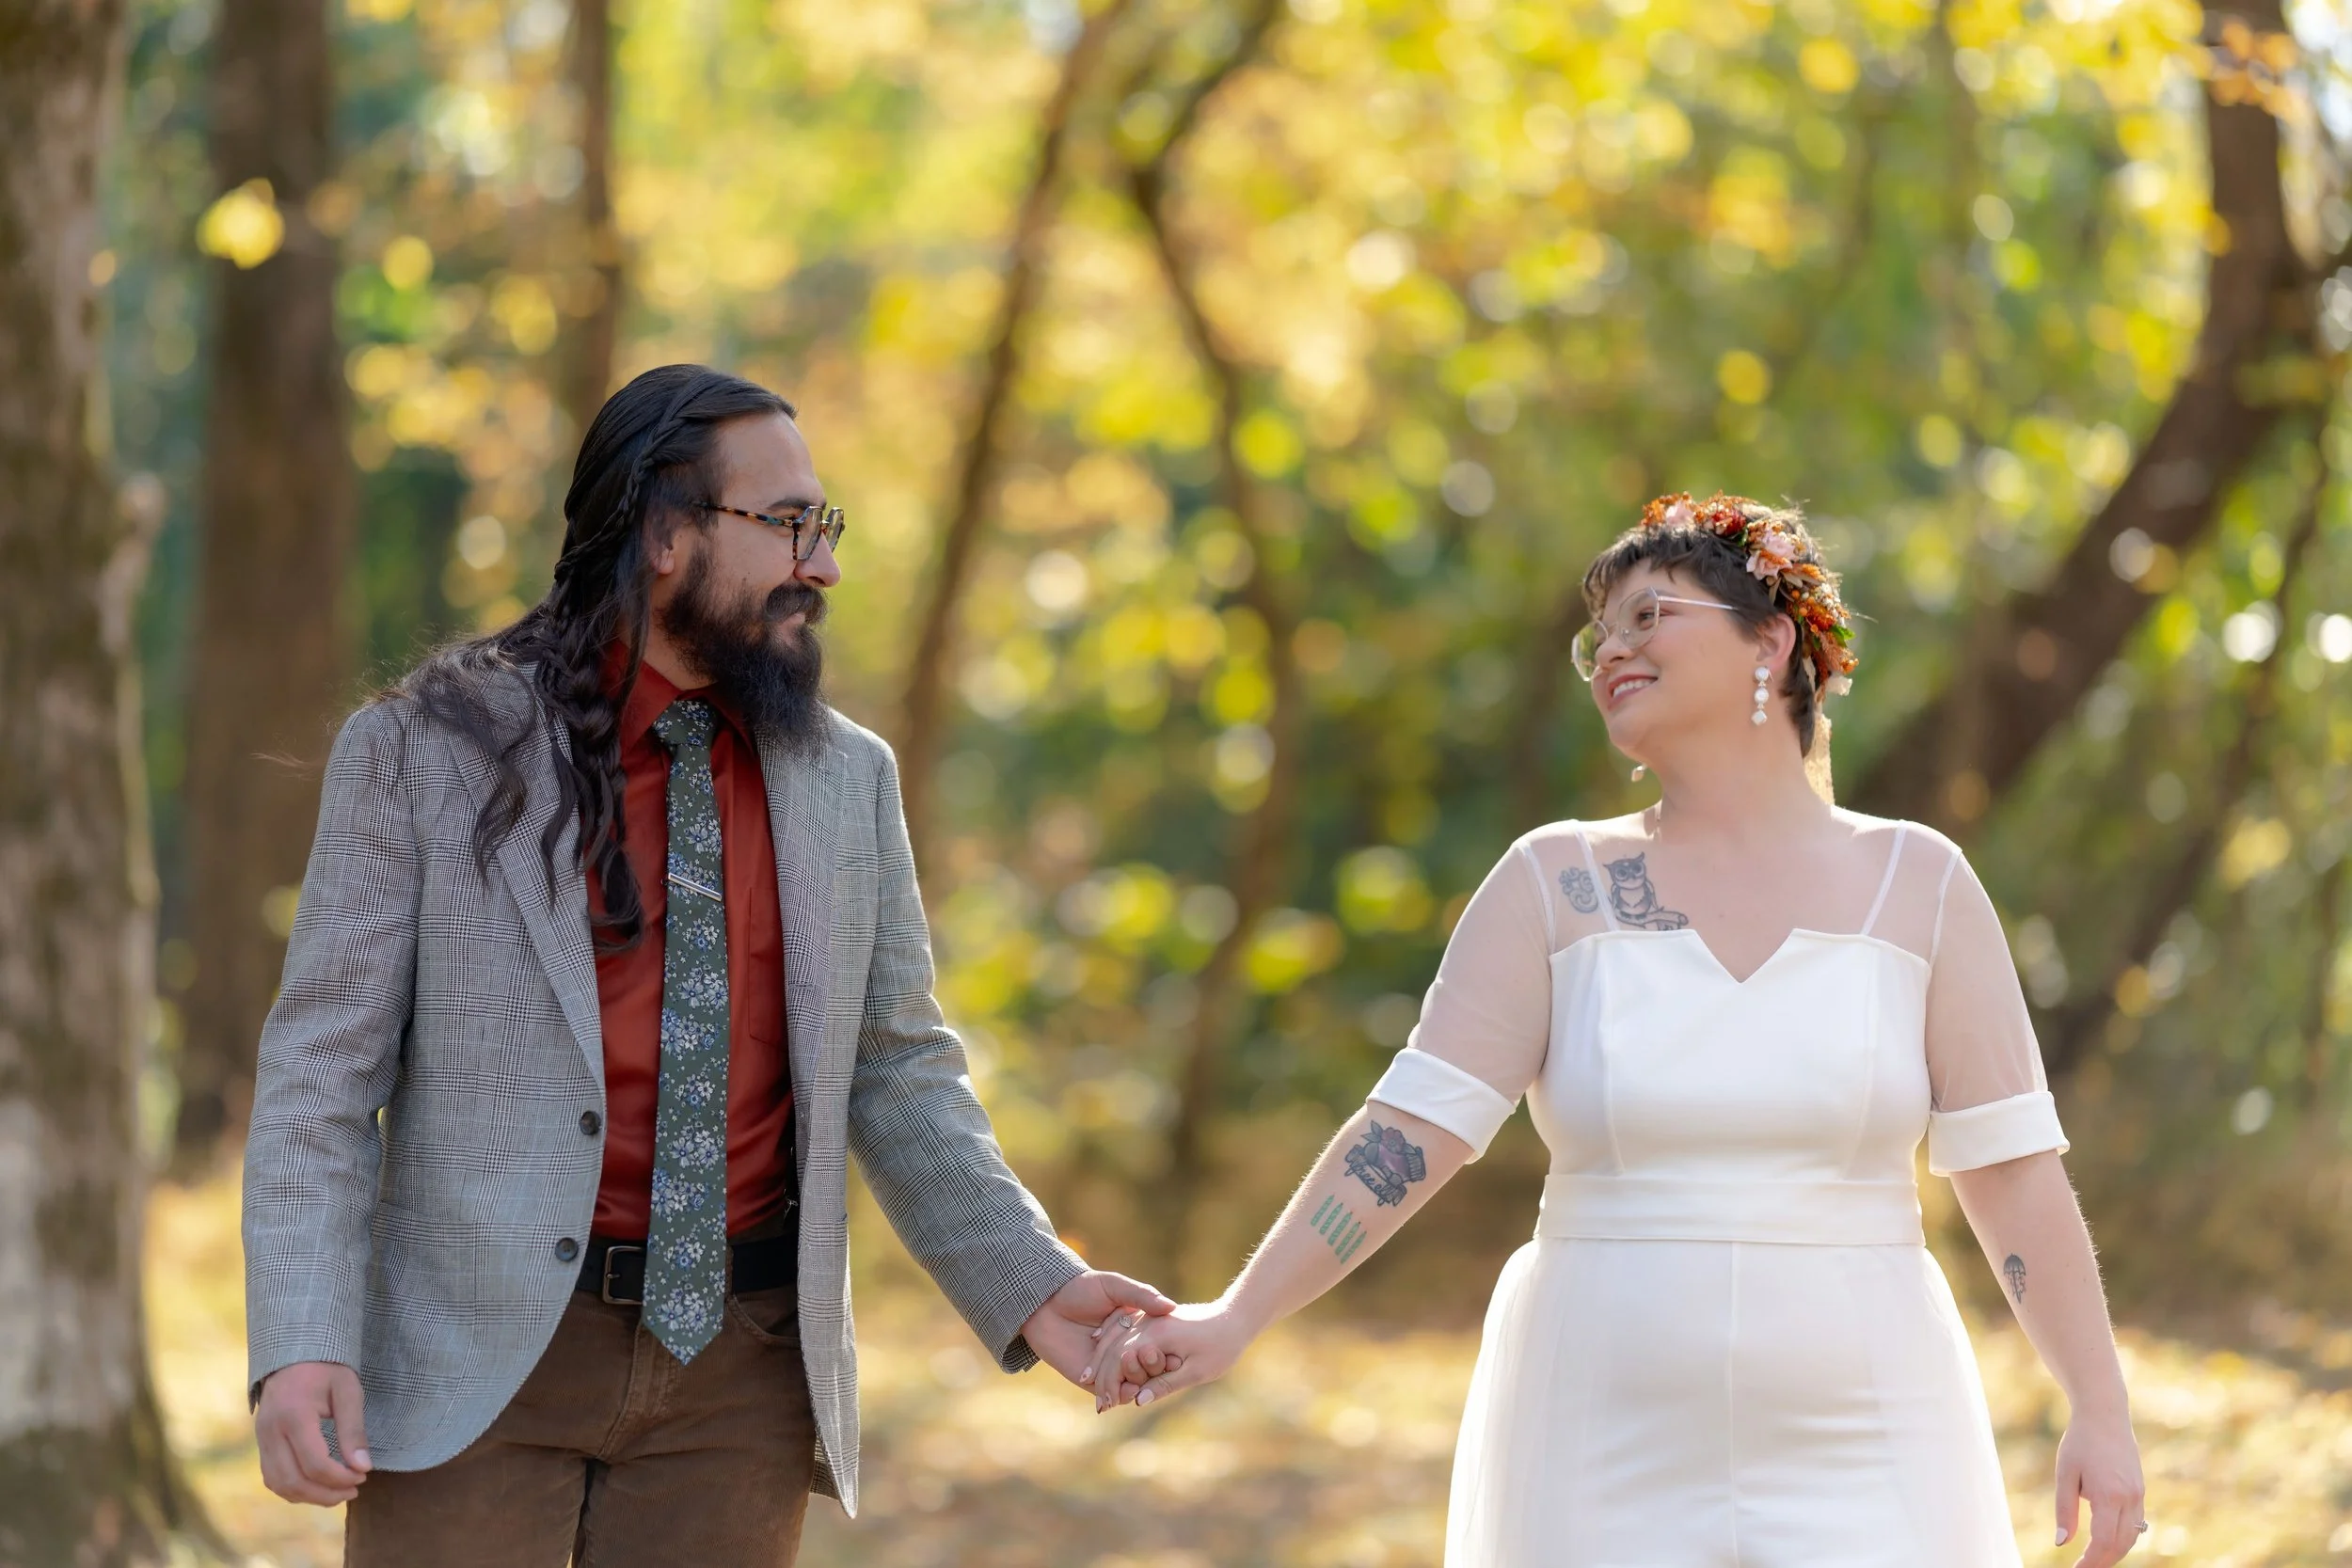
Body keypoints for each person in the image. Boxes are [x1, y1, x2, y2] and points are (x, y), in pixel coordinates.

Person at [1090, 495, 2148, 1567]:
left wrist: (2097, 1407)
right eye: (1600, 634)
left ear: (1770, 642)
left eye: (1650, 616)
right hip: (1598, 1431)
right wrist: (1237, 1313)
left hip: (1871, 1422)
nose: (1613, 650)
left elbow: (2011, 1169)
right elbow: (1411, 1129)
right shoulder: (1553, 882)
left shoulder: (1918, 885)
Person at [242, 363, 1168, 1565]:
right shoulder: (423, 750)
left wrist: (1035, 1283)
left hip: (741, 1375)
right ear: (665, 535)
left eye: (824, 526)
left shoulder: (849, 780)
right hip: (474, 1354)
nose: (822, 565)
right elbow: (319, 1073)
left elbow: (897, 1071)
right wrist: (302, 1335)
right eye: (788, 524)